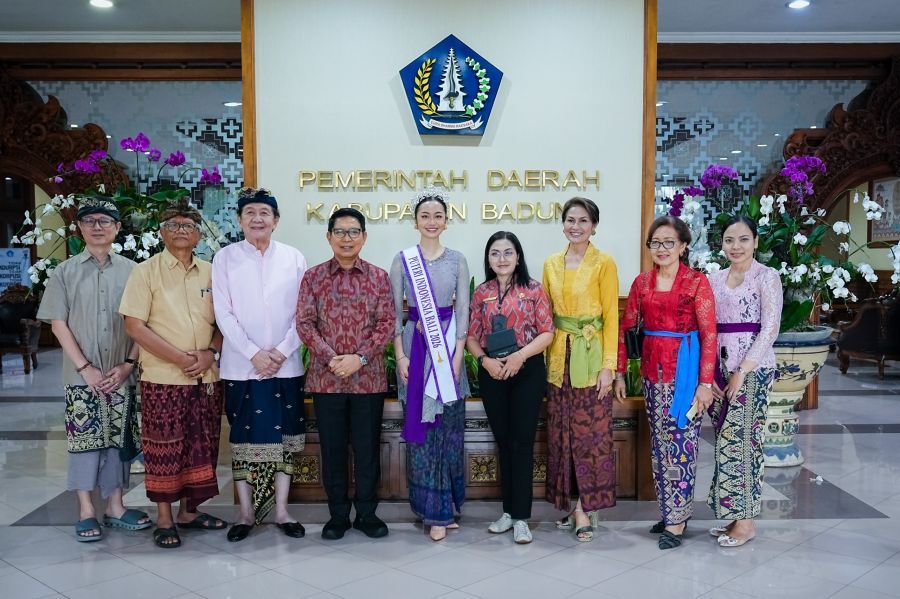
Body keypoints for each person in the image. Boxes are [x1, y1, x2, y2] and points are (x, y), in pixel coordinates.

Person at [37, 196, 151, 542]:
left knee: (119, 440)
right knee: (84, 442)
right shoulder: (64, 271)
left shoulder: (134, 271)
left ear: (117, 228)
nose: (97, 227)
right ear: (79, 229)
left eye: (105, 221)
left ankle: (116, 506)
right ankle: (86, 510)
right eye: (90, 221)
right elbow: (58, 324)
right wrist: (85, 368)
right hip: (81, 375)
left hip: (121, 374)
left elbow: (143, 323)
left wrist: (128, 364)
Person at [119, 199, 226, 549]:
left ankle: (189, 512)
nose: (182, 231)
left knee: (201, 447)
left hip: (205, 379)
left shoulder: (213, 272)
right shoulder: (145, 271)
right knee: (164, 450)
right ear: (162, 232)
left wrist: (210, 352)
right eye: (174, 225)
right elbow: (134, 325)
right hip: (163, 378)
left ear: (198, 236)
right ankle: (164, 517)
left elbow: (226, 321)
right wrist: (180, 358)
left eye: (189, 226)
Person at [614, 215, 717, 550]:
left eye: (668, 242)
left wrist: (705, 383)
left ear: (683, 246)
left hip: (685, 374)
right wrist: (619, 370)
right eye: (655, 243)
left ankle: (677, 520)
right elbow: (627, 326)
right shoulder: (642, 283)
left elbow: (709, 335)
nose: (661, 248)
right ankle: (671, 510)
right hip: (651, 374)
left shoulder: (696, 283)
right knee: (660, 446)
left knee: (682, 445)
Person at [212, 188, 308, 542]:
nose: (257, 218)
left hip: (286, 367)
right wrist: (253, 353)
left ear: (276, 220)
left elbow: (305, 313)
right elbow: (223, 312)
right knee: (243, 440)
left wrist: (281, 352)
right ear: (239, 220)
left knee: (285, 440)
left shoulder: (294, 258)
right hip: (242, 368)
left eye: (264, 213)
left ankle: (281, 510)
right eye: (249, 212)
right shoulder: (224, 259)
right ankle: (245, 512)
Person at [296, 207, 394, 540]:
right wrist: (332, 358)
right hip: (327, 380)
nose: (347, 238)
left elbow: (387, 324)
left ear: (364, 237)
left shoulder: (380, 277)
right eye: (340, 232)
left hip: (369, 380)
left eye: (354, 232)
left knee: (367, 451)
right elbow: (304, 324)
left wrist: (360, 358)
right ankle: (337, 515)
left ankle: (367, 514)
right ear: (329, 237)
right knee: (333, 450)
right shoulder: (313, 277)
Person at [390, 187, 470, 542]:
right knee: (422, 436)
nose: (432, 221)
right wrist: (401, 356)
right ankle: (431, 511)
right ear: (415, 221)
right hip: (416, 349)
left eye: (438, 215)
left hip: (448, 350)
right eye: (425, 216)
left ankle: (448, 507)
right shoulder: (402, 260)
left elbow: (464, 310)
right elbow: (395, 313)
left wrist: (457, 354)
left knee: (449, 434)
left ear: (447, 221)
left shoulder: (457, 260)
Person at [466, 231, 554, 544]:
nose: (501, 259)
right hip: (493, 372)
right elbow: (472, 334)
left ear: (518, 256)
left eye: (508, 252)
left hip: (527, 370)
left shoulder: (533, 289)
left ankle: (521, 517)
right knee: (503, 443)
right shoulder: (482, 293)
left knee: (522, 442)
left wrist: (519, 356)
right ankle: (507, 512)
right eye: (495, 253)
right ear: (488, 258)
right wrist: (484, 361)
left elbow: (547, 333)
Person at [542, 197, 619, 542]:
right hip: (558, 358)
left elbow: (612, 317)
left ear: (594, 226)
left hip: (591, 355)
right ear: (563, 224)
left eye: (583, 220)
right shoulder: (551, 263)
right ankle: (571, 503)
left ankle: (586, 509)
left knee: (591, 435)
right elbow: (545, 314)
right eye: (570, 220)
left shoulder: (604, 263)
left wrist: (609, 367)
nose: (576, 226)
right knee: (562, 436)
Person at [707, 215, 782, 547]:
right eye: (729, 240)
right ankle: (735, 515)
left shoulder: (767, 277)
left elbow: (770, 328)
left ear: (755, 241)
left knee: (745, 443)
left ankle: (747, 521)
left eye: (743, 239)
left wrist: (743, 370)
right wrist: (708, 375)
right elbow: (706, 328)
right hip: (718, 372)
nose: (735, 246)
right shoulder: (713, 279)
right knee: (726, 442)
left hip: (752, 369)